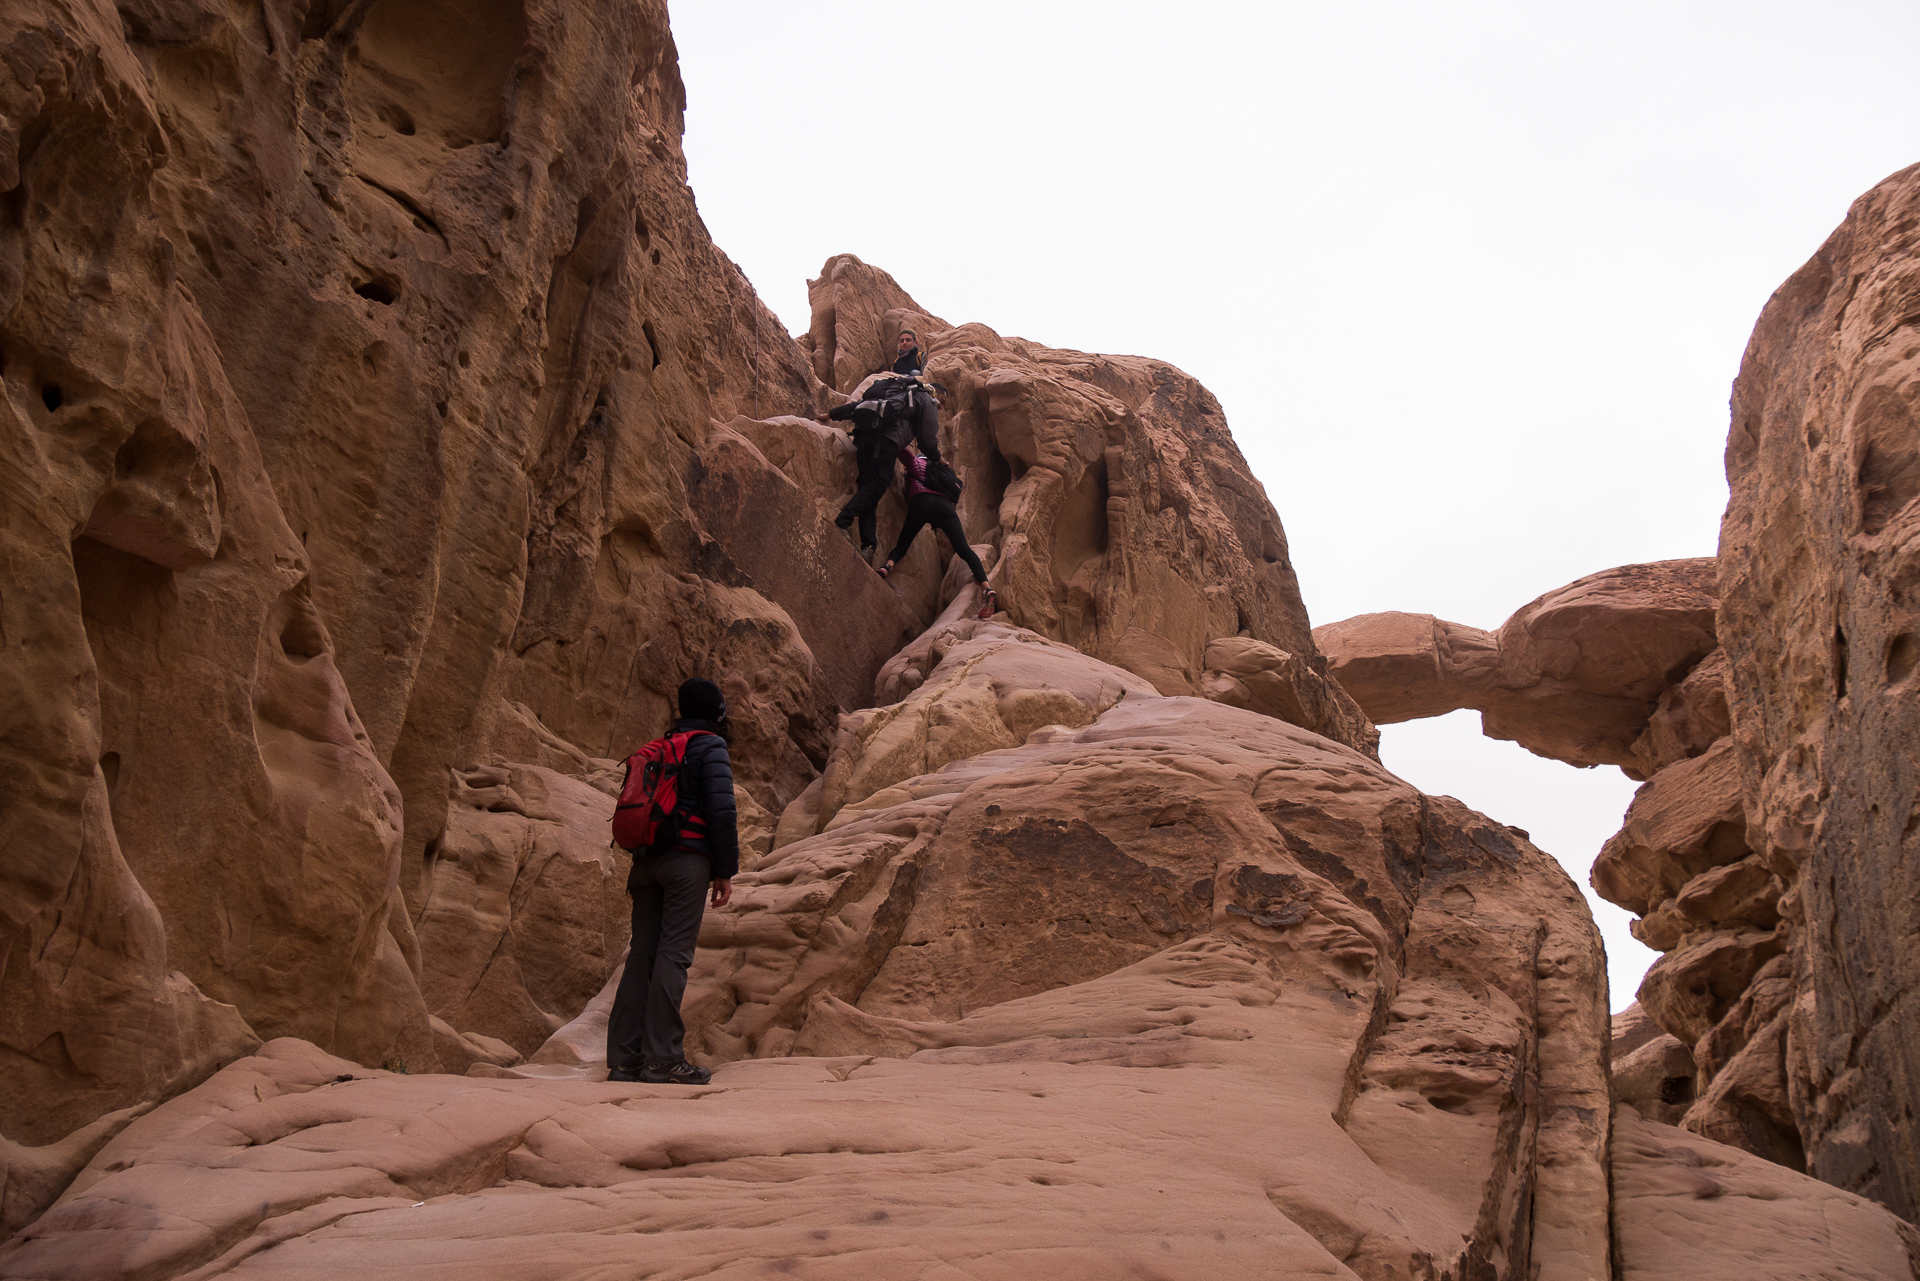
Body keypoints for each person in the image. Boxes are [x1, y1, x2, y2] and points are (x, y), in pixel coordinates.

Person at [606, 677, 737, 1085]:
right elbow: (721, 811)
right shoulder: (710, 745)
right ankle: (662, 1059)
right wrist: (725, 870)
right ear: (715, 711)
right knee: (673, 955)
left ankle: (624, 1060)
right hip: (686, 862)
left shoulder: (660, 746)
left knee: (642, 955)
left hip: (645, 862)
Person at [828, 330, 943, 556]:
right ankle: (841, 522)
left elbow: (860, 406)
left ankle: (868, 545)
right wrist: (938, 459)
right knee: (876, 487)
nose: (940, 405)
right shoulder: (924, 398)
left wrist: (832, 413)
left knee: (869, 488)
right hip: (886, 442)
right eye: (941, 401)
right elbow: (928, 440)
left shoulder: (889, 389)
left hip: (864, 437)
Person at [877, 446, 1001, 620]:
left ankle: (886, 566)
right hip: (944, 507)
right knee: (964, 549)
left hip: (921, 502)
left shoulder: (917, 462)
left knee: (903, 544)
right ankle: (987, 587)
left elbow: (900, 448)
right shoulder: (941, 470)